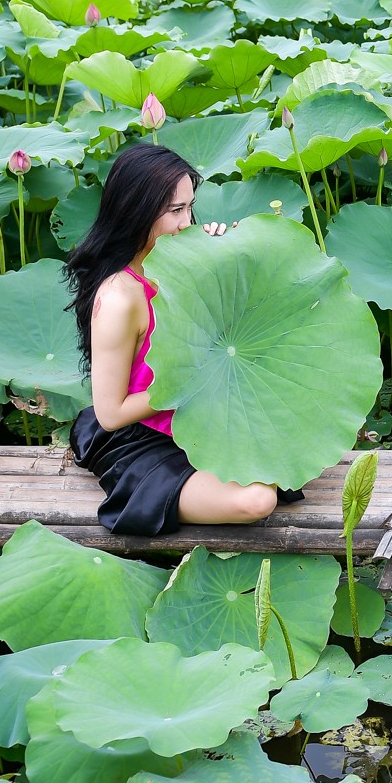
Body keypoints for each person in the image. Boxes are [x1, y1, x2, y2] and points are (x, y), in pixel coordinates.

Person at [63, 143, 302, 535]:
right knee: (257, 500)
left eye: (189, 207)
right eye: (175, 211)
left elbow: (232, 336)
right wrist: (192, 382)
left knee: (299, 439)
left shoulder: (187, 258)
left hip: (203, 416)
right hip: (142, 436)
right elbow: (110, 413)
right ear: (135, 212)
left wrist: (226, 256)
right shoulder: (120, 297)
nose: (187, 222)